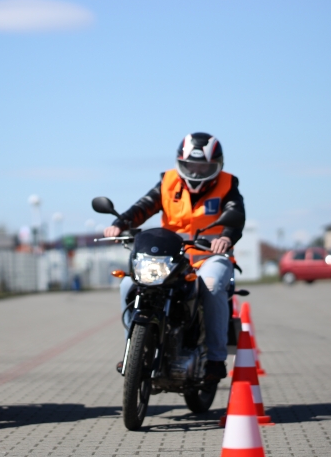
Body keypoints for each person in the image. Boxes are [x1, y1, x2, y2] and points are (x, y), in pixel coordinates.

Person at [103, 132, 245, 381]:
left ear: (217, 165)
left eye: (204, 167)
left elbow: (236, 214)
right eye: (191, 165)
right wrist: (120, 224)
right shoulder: (168, 182)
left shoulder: (227, 184)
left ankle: (215, 359)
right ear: (181, 163)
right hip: (173, 257)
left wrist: (226, 237)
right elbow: (143, 207)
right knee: (128, 283)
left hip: (211, 256)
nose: (197, 172)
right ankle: (132, 351)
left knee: (210, 285)